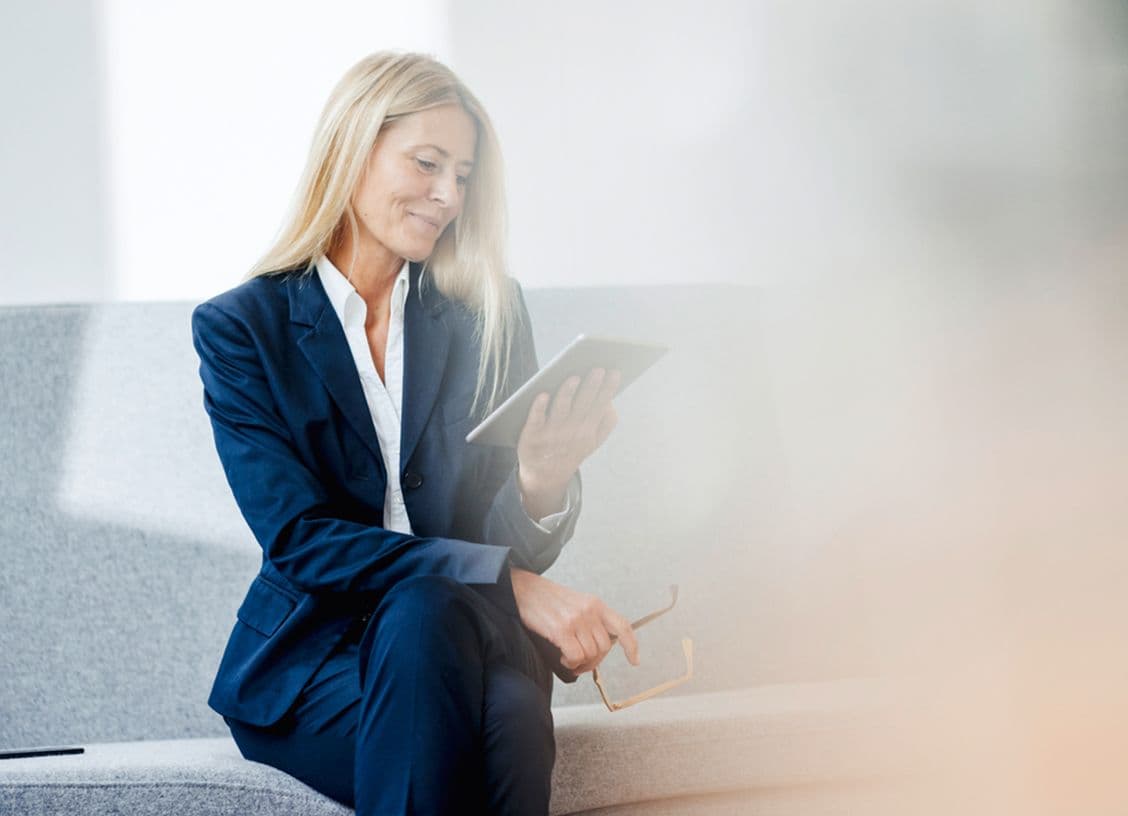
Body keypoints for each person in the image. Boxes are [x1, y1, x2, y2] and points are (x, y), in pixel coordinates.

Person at [191, 51, 640, 816]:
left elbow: (510, 533)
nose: (447, 196)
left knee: (468, 663)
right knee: (500, 711)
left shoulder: (486, 313)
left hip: (466, 640)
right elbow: (302, 540)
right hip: (313, 661)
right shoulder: (242, 330)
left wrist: (540, 480)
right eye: (427, 164)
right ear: (353, 149)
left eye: (463, 176)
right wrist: (510, 581)